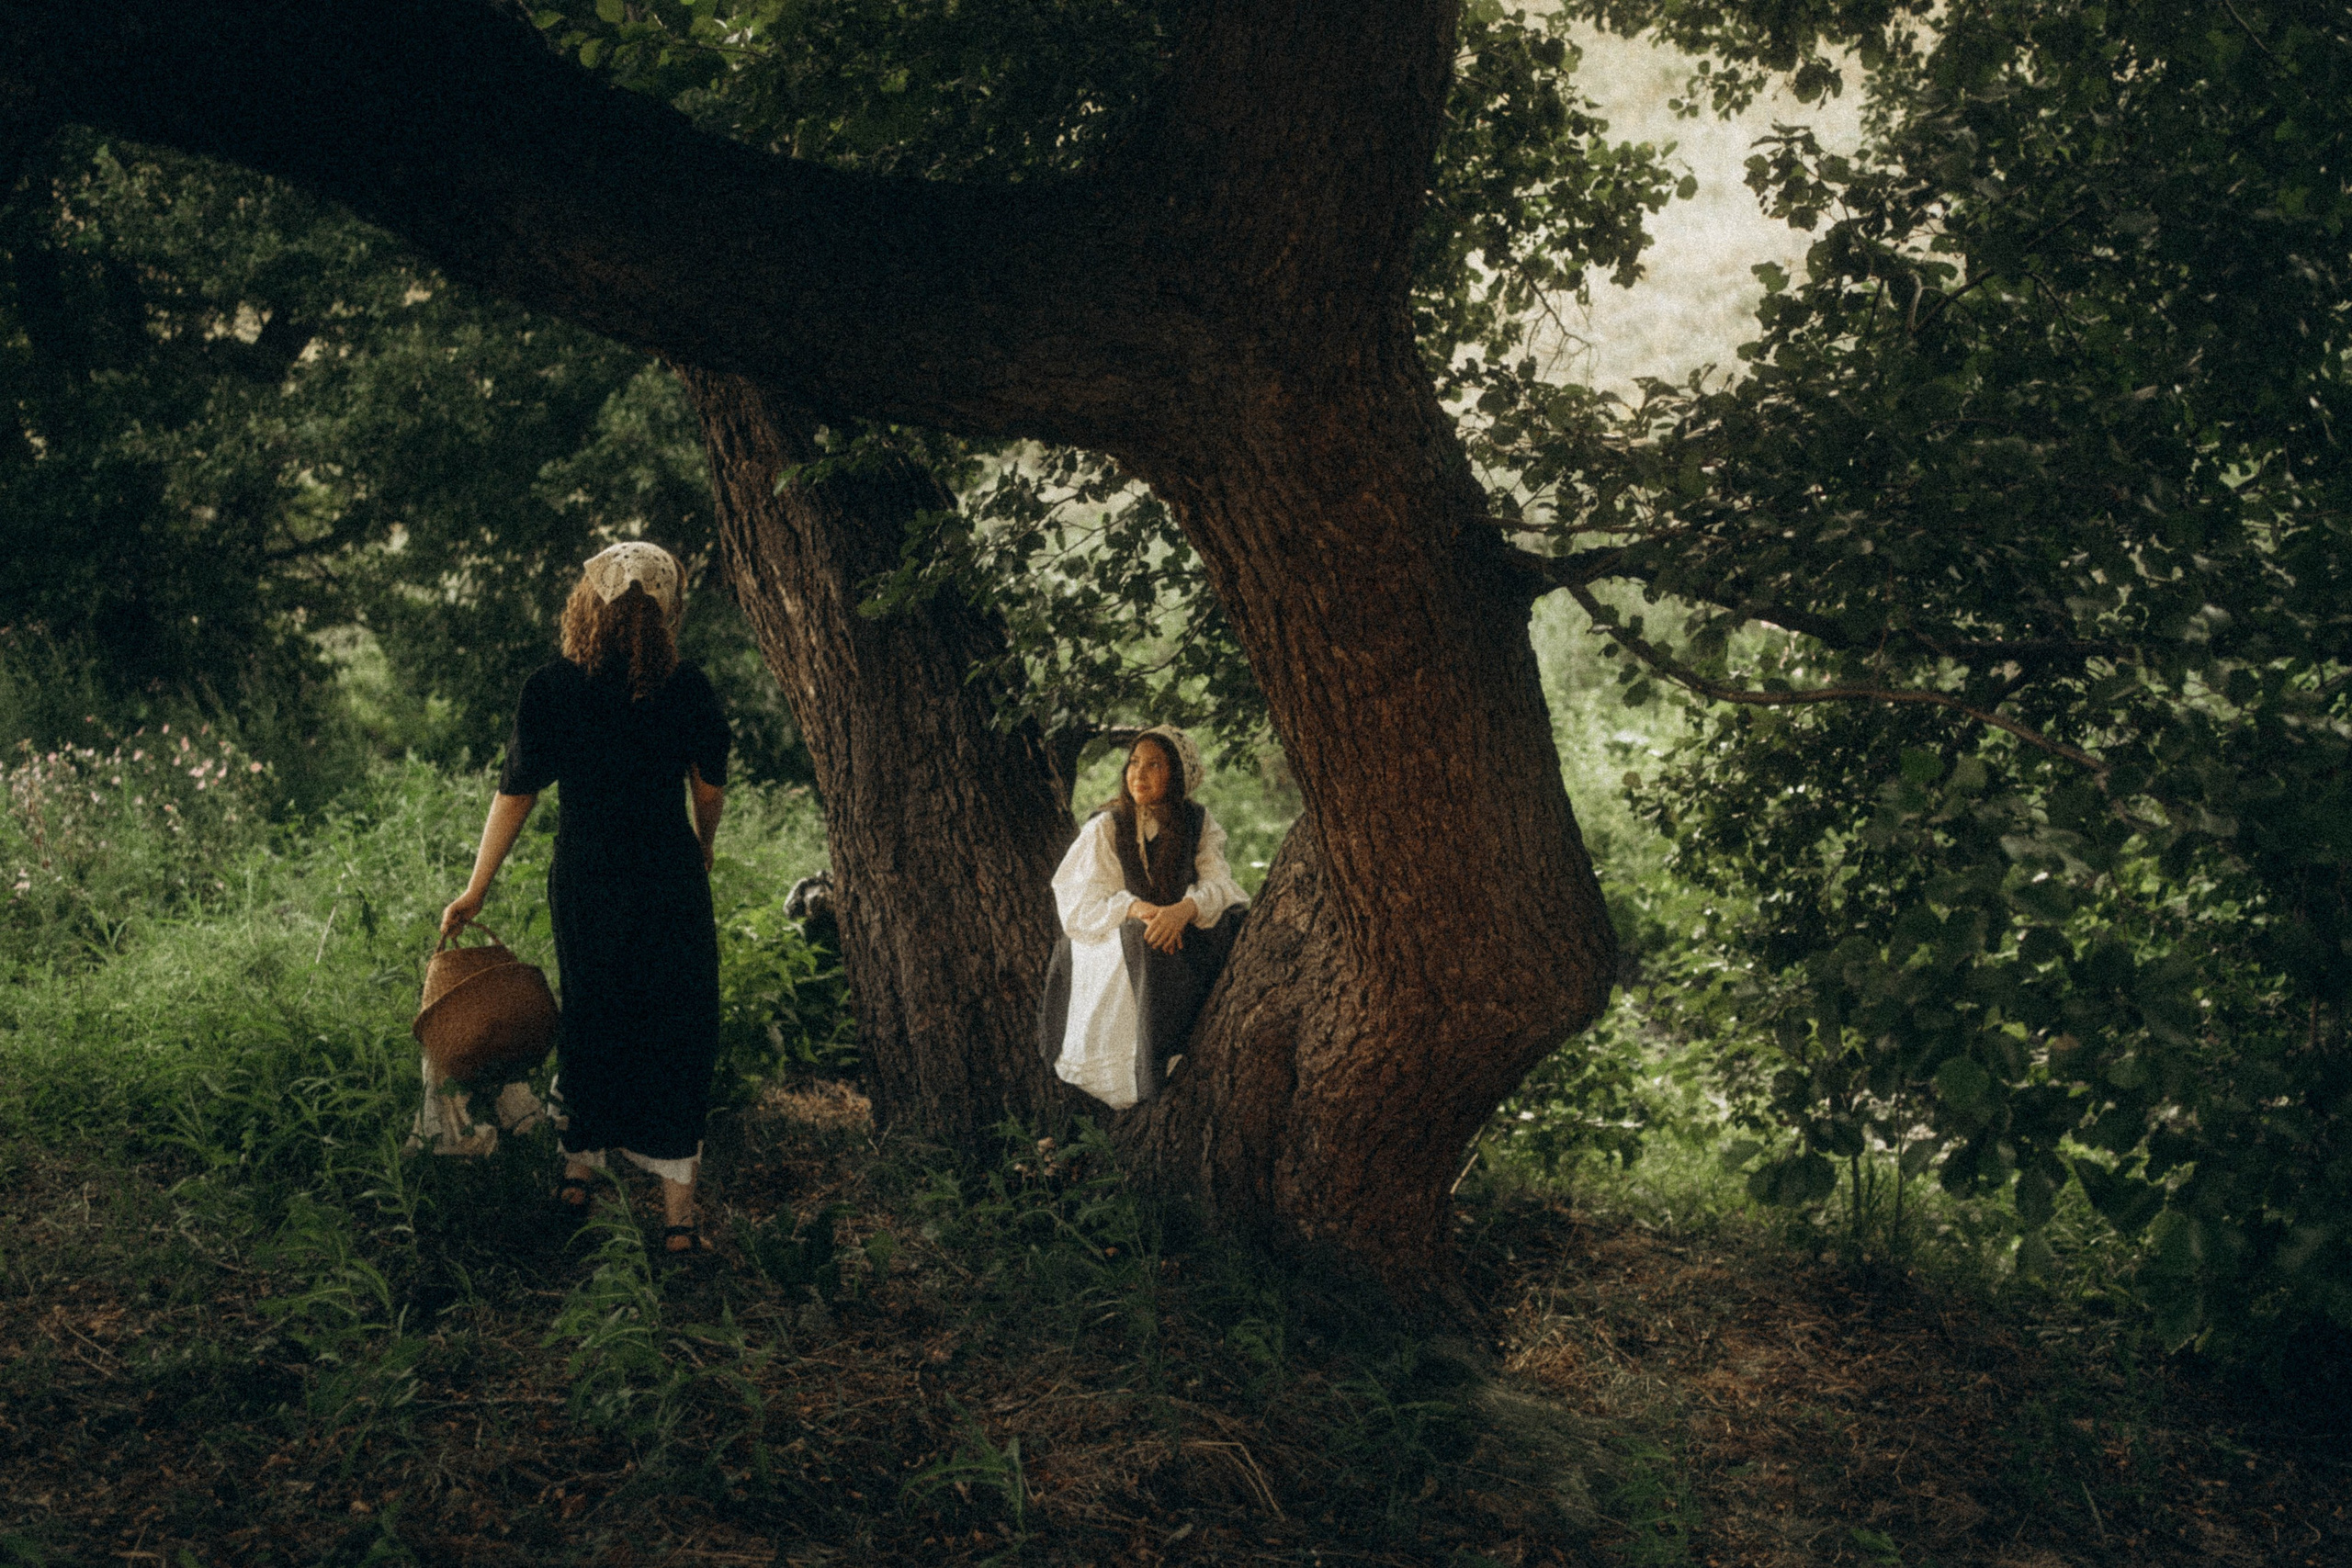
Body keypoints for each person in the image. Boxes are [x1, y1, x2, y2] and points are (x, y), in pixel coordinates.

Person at [440, 541, 730, 1255]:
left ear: (586, 603)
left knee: (594, 1009)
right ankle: (679, 1219)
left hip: (589, 875)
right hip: (667, 874)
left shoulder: (552, 689)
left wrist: (476, 890)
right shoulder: (688, 686)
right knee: (675, 1021)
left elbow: (516, 795)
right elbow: (709, 789)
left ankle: (578, 1173)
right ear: (666, 608)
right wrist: (704, 843)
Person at [1038, 726, 1249, 1110]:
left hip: (1173, 924)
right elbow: (1080, 903)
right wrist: (1134, 908)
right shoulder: (1107, 825)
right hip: (1108, 939)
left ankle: (1191, 1038)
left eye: (1154, 764)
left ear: (1178, 776)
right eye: (1134, 762)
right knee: (1145, 937)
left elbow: (1219, 883)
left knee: (1234, 918)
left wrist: (1185, 909)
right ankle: (1147, 1067)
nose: (1139, 773)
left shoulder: (1197, 823)